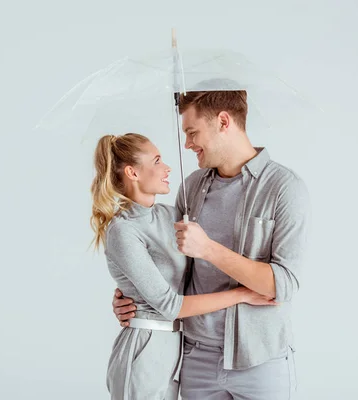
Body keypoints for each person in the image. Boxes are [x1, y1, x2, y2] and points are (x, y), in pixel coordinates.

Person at [112, 90, 311, 399]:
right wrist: (133, 301)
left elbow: (283, 285)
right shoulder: (191, 188)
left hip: (261, 362)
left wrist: (208, 249)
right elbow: (173, 271)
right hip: (195, 359)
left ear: (223, 121)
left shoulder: (284, 188)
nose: (187, 143)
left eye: (192, 132)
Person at [91, 132, 277, 400]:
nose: (166, 168)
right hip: (145, 348)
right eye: (156, 161)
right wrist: (243, 294)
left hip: (177, 350)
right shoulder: (123, 230)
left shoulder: (171, 215)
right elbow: (170, 306)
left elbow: (192, 275)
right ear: (132, 172)